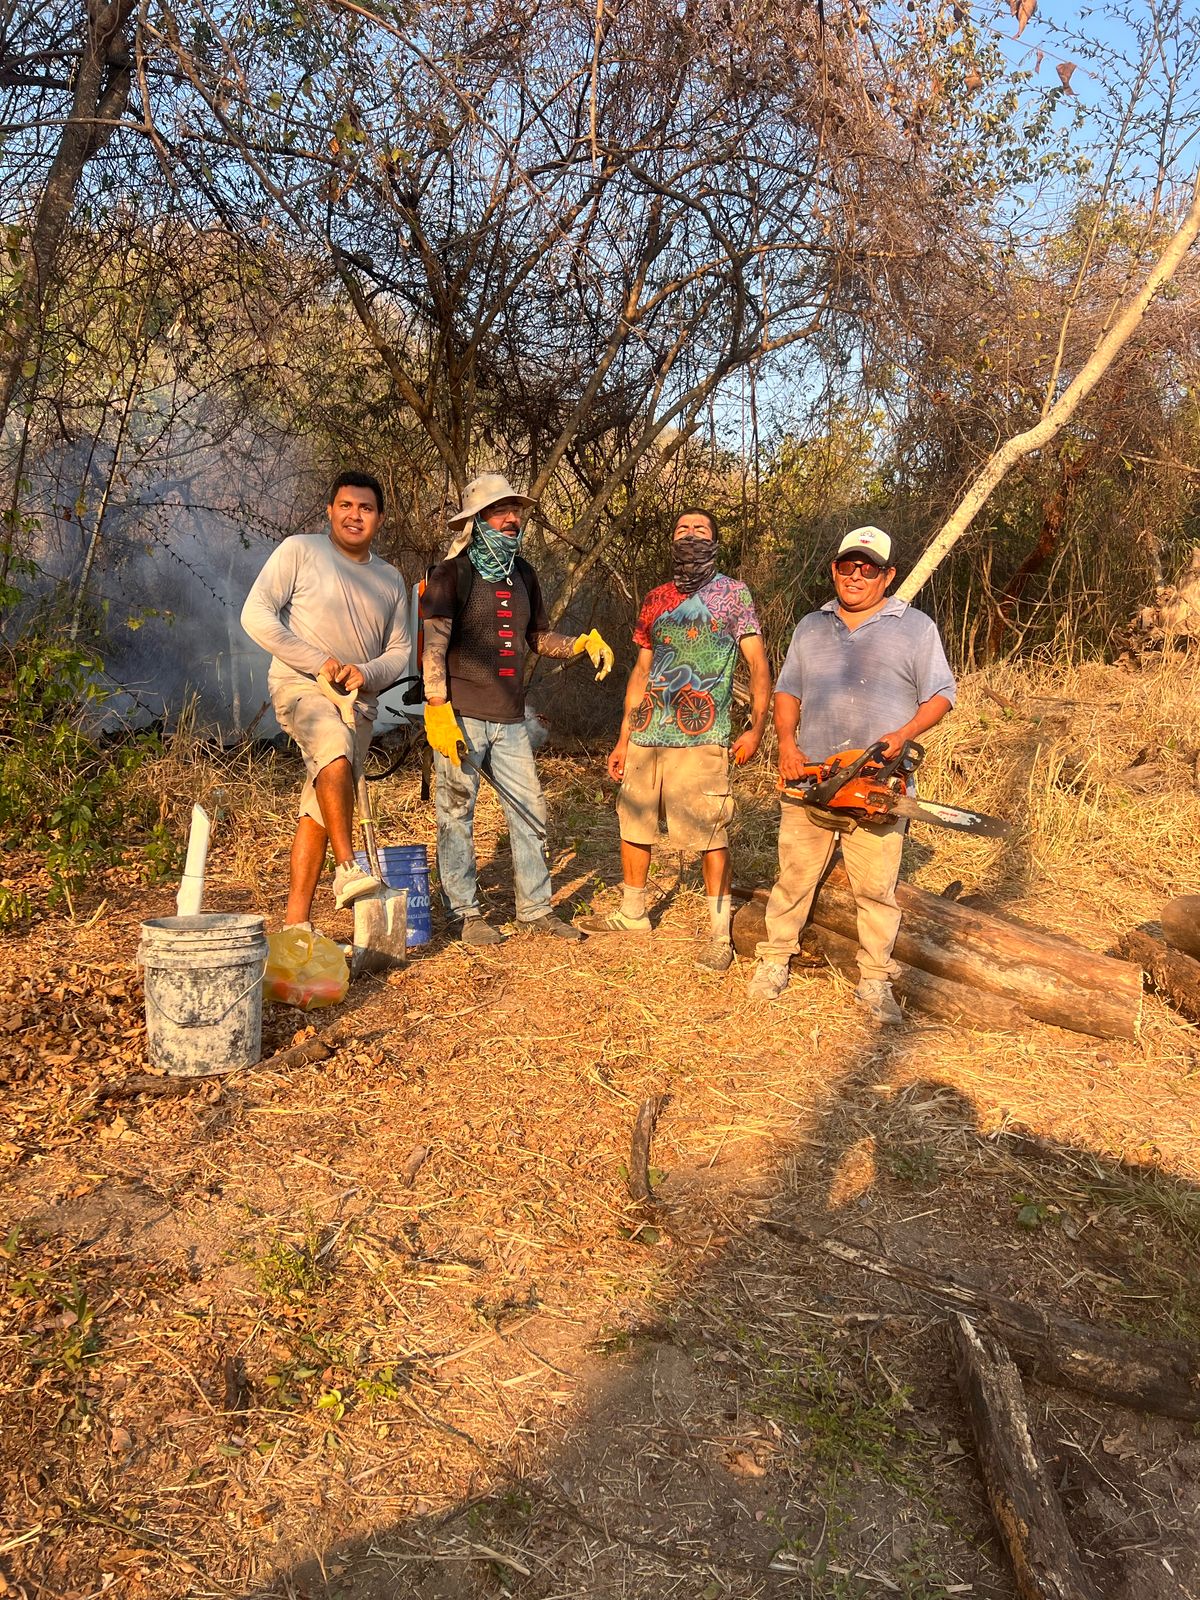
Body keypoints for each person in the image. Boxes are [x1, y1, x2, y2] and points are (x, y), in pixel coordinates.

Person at [747, 526, 956, 1021]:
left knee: (876, 889)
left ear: (888, 575)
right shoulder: (810, 626)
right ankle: (775, 959)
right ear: (835, 570)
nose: (856, 576)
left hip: (878, 781)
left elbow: (942, 695)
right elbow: (786, 692)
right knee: (794, 876)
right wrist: (787, 745)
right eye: (847, 566)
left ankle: (875, 979)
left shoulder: (916, 628)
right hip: (813, 776)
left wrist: (902, 735)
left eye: (868, 568)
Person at [420, 472, 614, 945]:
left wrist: (580, 644)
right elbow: (434, 646)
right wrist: (437, 708)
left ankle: (535, 909)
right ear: (476, 520)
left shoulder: (524, 574)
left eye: (516, 510)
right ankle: (465, 913)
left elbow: (537, 639)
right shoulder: (450, 573)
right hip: (460, 715)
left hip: (510, 719)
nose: (512, 519)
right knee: (456, 815)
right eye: (500, 510)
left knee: (530, 811)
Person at [578, 508, 771, 971]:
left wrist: (756, 728)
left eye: (700, 529)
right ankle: (633, 913)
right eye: (682, 529)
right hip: (648, 731)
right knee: (633, 823)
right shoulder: (656, 599)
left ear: (715, 540)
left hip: (703, 734)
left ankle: (719, 935)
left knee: (710, 831)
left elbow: (758, 666)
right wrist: (624, 738)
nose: (690, 536)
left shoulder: (733, 594)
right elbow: (642, 670)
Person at [241, 471, 410, 930]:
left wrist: (367, 672)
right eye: (346, 505)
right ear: (331, 510)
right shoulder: (301, 550)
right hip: (302, 687)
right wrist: (318, 661)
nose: (355, 515)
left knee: (321, 805)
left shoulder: (390, 578)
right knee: (333, 749)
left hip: (358, 702)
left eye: (366, 508)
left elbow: (399, 651)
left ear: (379, 518)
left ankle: (296, 926)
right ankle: (348, 868)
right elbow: (255, 615)